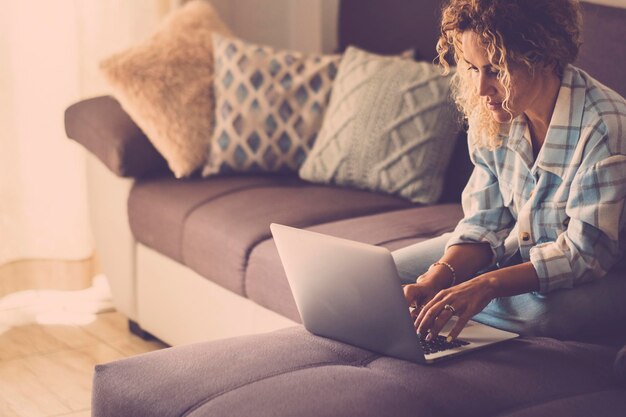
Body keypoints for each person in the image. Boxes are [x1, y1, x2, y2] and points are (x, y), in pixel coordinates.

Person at [394, 0, 626, 343]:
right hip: (518, 252)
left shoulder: (604, 127)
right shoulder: (492, 112)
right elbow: (486, 221)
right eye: (473, 68)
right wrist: (440, 276)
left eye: (497, 69)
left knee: (542, 314)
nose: (480, 89)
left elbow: (584, 255)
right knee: (389, 275)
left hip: (604, 276)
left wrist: (485, 284)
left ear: (545, 57)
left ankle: (450, 310)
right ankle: (447, 305)